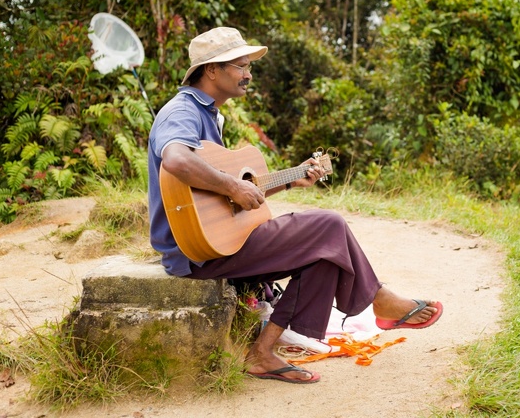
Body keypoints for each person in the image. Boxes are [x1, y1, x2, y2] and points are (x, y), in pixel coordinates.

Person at [147, 27, 443, 384]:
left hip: (219, 242)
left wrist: (288, 179)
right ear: (212, 70)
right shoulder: (182, 111)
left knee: (326, 253)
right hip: (196, 253)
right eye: (241, 66)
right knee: (329, 225)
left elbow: (228, 201)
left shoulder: (210, 115)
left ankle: (261, 353)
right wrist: (232, 185)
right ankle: (379, 299)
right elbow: (177, 161)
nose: (248, 74)